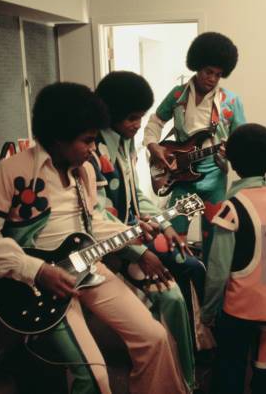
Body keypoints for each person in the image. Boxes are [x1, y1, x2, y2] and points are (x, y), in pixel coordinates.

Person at [0, 82, 187, 394]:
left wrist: (133, 233)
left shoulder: (83, 171)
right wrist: (39, 271)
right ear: (59, 137)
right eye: (87, 140)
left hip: (89, 267)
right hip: (41, 285)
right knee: (95, 376)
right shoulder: (12, 171)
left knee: (155, 338)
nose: (93, 149)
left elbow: (93, 223)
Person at [91, 71, 209, 389]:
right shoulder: (93, 151)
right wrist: (140, 252)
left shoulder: (125, 143)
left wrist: (166, 225)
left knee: (189, 271)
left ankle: (186, 373)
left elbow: (136, 194)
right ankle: (177, 375)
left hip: (135, 238)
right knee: (171, 299)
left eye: (141, 117)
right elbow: (98, 216)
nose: (139, 125)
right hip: (112, 252)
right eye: (132, 118)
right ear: (111, 113)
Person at [202, 123, 266, 394]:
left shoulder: (232, 208)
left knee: (230, 363)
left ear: (232, 162)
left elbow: (218, 270)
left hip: (240, 306)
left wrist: (207, 312)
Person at [143, 32, 245, 264]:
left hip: (215, 180)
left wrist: (233, 152)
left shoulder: (230, 101)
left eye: (218, 74)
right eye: (209, 71)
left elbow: (242, 138)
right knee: (173, 238)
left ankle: (210, 292)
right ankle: (181, 286)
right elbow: (156, 120)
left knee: (215, 241)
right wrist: (153, 146)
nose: (213, 79)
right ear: (197, 67)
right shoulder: (178, 95)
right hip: (181, 179)